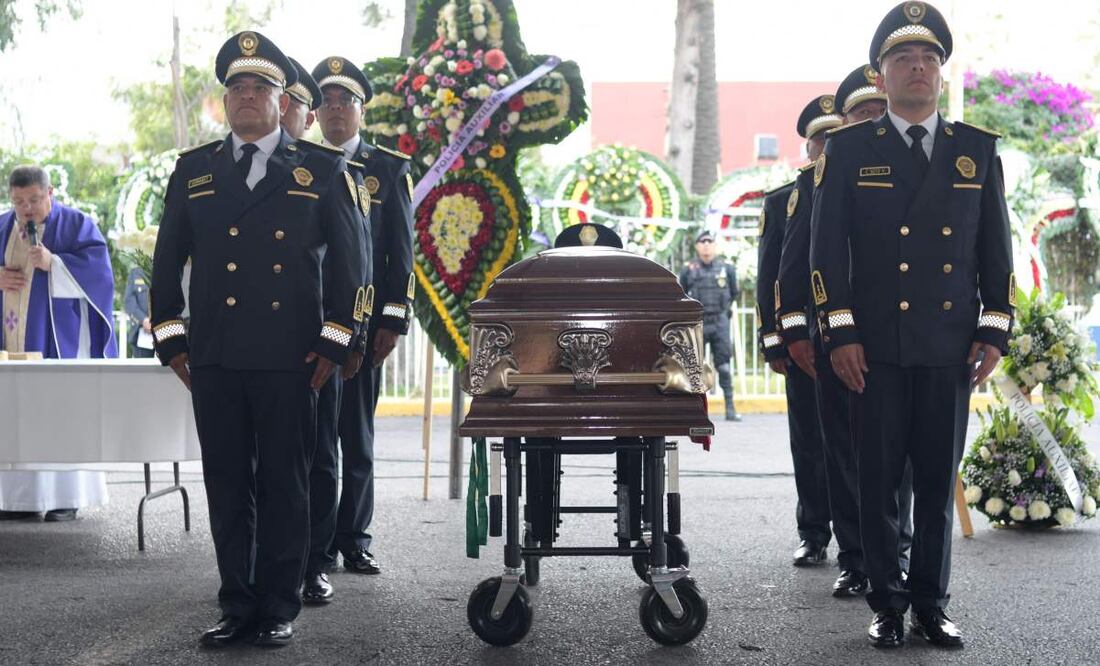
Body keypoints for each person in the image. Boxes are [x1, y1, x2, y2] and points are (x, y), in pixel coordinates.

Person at [150, 31, 365, 648]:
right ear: (225, 103)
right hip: (215, 358)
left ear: (282, 100)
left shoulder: (322, 170)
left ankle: (277, 604)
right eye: (237, 88)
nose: (247, 96)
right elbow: (167, 269)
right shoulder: (195, 172)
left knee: (283, 483)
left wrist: (333, 344)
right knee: (225, 483)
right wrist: (172, 341)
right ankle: (235, 603)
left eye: (261, 87)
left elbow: (352, 273)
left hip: (290, 359)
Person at [810, 1, 1014, 648]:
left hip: (949, 347)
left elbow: (996, 253)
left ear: (942, 73)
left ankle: (931, 602)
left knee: (934, 478)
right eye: (904, 58)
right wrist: (840, 333)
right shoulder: (846, 151)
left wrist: (995, 328)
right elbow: (824, 254)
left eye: (929, 57)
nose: (918, 67)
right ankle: (887, 603)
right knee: (877, 483)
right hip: (872, 349)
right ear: (882, 74)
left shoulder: (974, 152)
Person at [778, 73, 916, 597]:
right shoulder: (822, 175)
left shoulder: (916, 173)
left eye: (880, 109)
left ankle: (896, 552)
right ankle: (856, 558)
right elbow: (792, 267)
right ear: (847, 122)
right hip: (836, 339)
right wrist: (796, 335)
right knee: (844, 453)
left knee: (900, 455)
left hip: (901, 339)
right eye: (862, 113)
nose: (872, 120)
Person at [300, 55, 415, 605]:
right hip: (316, 327)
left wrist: (392, 321)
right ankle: (317, 548)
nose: (335, 110)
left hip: (367, 329)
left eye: (346, 101)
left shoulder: (387, 169)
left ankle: (355, 538)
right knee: (319, 444)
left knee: (357, 439)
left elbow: (401, 256)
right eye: (325, 101)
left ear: (361, 110)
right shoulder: (302, 165)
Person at [0, 165, 117, 522]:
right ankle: (14, 500)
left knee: (57, 414)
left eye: (34, 199)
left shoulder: (77, 225)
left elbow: (101, 277)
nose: (27, 209)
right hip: (10, 343)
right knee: (13, 415)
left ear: (50, 194)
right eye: (19, 201)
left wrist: (57, 265)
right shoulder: (2, 226)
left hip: (57, 343)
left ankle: (64, 497)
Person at [767, 96, 842, 566]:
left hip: (850, 338)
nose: (827, 148)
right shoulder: (784, 199)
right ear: (808, 147)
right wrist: (776, 340)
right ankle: (813, 531)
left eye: (835, 139)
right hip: (804, 342)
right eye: (821, 140)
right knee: (810, 442)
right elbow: (772, 277)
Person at [679, 230, 742, 421]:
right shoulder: (689, 269)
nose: (706, 245)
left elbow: (733, 293)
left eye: (710, 242)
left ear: (715, 245)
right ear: (697, 246)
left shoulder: (727, 268)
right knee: (694, 367)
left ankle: (730, 408)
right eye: (702, 242)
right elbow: (682, 293)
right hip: (697, 322)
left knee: (723, 366)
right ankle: (693, 411)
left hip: (720, 321)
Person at [123, 266, 155, 358]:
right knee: (143, 370)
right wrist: (143, 320)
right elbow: (129, 301)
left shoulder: (166, 268)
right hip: (142, 333)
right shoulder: (136, 272)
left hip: (164, 329)